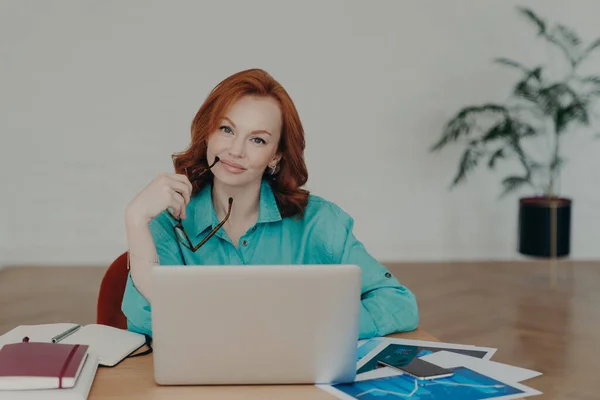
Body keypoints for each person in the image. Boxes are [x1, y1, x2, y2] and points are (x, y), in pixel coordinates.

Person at [121, 68, 419, 340]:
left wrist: (309, 327)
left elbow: (397, 302)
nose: (236, 150)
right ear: (207, 134)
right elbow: (146, 319)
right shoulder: (169, 220)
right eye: (227, 130)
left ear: (276, 156)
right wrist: (135, 219)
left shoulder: (320, 222)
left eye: (258, 140)